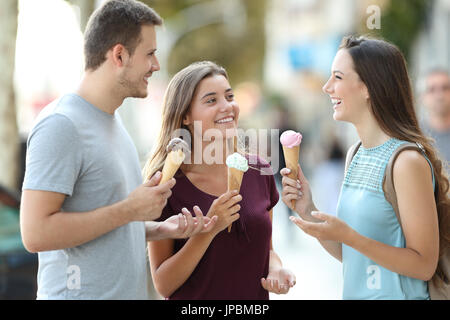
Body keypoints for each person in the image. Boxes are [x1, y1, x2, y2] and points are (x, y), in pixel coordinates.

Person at [20, 0, 216, 300]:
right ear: (120, 55)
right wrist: (130, 210)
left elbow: (106, 223)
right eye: (150, 54)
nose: (156, 65)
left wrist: (158, 230)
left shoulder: (114, 124)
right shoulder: (61, 125)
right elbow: (35, 234)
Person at [281, 35, 450, 299]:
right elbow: (353, 255)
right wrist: (308, 209)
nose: (327, 87)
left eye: (337, 77)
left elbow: (424, 265)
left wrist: (351, 236)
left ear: (368, 87)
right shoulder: (355, 154)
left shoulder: (406, 162)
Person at [144, 61, 296, 299]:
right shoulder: (167, 184)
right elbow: (163, 285)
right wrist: (209, 230)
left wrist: (276, 269)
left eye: (229, 96)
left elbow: (267, 250)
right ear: (185, 116)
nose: (228, 107)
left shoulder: (259, 170)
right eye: (211, 100)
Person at [421, 68, 450, 169]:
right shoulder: (416, 135)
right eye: (432, 89)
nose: (440, 95)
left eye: (445, 88)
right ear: (422, 97)